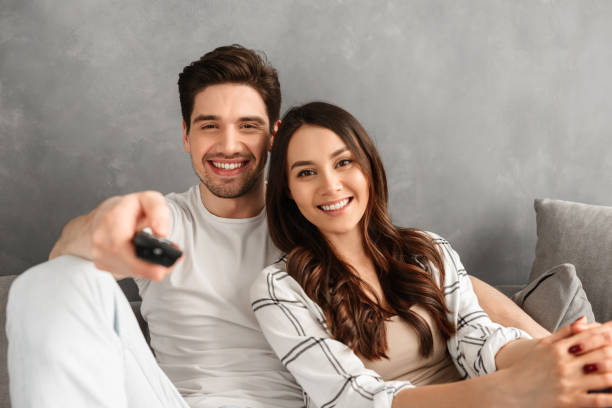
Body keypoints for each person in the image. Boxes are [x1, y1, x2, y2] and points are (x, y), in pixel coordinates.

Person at [7, 45, 550, 408]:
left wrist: (554, 348)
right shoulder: (166, 233)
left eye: (247, 126)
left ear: (273, 137)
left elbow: (447, 286)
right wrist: (103, 225)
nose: (227, 145)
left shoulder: (316, 219)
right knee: (48, 282)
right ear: (186, 136)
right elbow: (78, 254)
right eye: (208, 127)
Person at [250, 101, 612, 408]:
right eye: (307, 172)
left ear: (368, 168)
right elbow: (352, 397)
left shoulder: (426, 250)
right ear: (288, 193)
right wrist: (513, 389)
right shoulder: (279, 288)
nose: (330, 185)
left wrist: (554, 355)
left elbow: (478, 337)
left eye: (343, 162)